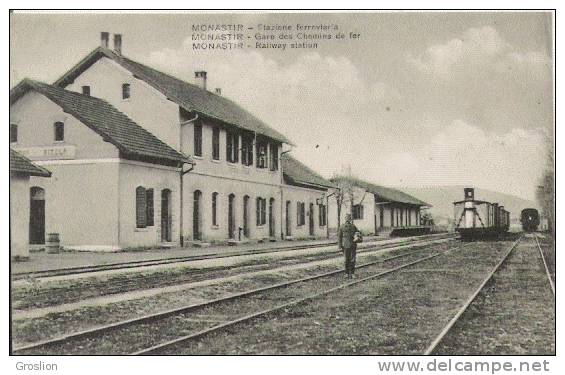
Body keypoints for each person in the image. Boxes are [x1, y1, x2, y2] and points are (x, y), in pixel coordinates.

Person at [338, 214, 362, 279]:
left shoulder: (353, 226)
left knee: (352, 260)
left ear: (350, 219)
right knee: (346, 260)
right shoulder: (342, 227)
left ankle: (352, 273)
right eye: (347, 218)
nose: (348, 219)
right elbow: (339, 237)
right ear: (345, 219)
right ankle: (346, 273)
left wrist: (358, 235)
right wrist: (339, 246)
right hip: (345, 246)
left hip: (352, 245)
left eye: (349, 218)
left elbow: (358, 233)